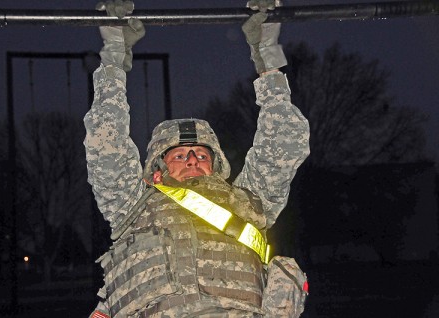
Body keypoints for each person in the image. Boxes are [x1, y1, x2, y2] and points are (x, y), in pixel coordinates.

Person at [84, 0, 310, 317]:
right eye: (179, 154)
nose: (192, 159)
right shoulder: (131, 206)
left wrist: (267, 55)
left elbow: (285, 141)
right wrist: (113, 57)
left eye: (200, 154)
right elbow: (105, 143)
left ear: (215, 164)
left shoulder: (247, 200)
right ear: (158, 170)